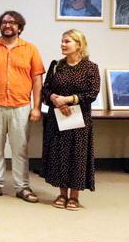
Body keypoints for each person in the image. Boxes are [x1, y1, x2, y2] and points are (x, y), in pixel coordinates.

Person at [0, 10, 45, 203]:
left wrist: (36, 107)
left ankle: (22, 187)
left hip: (20, 106)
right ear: (0, 26)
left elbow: (37, 81)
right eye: (4, 22)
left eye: (12, 22)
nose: (8, 25)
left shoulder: (31, 49)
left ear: (19, 27)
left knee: (20, 148)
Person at [41, 29, 100, 210]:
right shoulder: (56, 66)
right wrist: (55, 99)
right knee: (60, 155)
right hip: (58, 118)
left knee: (77, 156)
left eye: (67, 41)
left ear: (79, 44)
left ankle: (74, 196)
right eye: (62, 41)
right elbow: (46, 90)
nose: (63, 44)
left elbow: (92, 93)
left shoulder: (90, 67)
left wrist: (68, 99)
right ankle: (62, 194)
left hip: (79, 120)